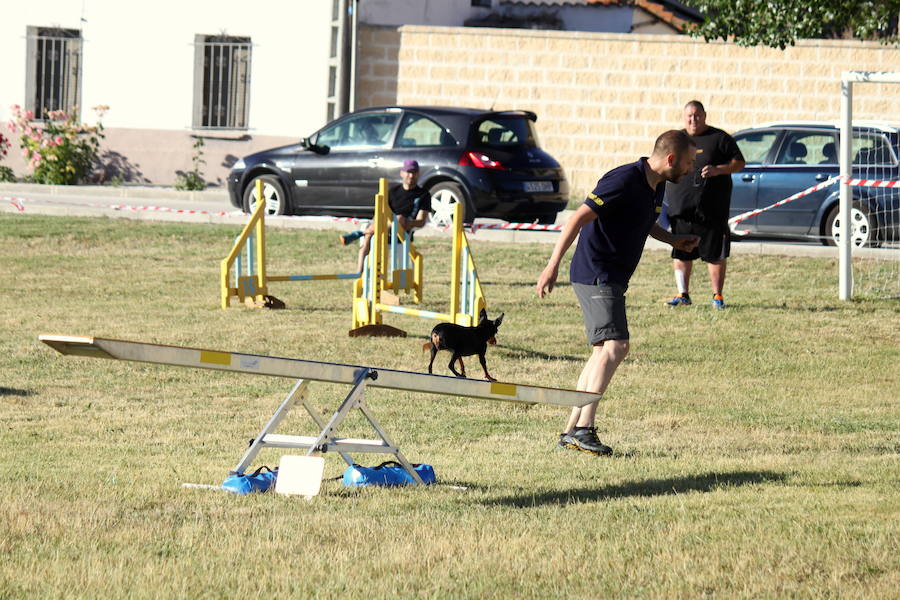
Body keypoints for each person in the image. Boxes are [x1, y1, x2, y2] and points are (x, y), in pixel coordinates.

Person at [535, 130, 700, 456]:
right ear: (671, 159)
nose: (691, 169)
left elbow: (645, 222)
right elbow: (577, 218)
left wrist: (674, 241)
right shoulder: (623, 179)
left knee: (601, 352)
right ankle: (584, 428)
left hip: (611, 276)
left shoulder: (656, 184)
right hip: (597, 272)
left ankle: (571, 430)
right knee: (617, 346)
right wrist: (551, 265)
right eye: (689, 163)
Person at [664, 100, 745, 309]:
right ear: (684, 118)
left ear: (705, 115)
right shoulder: (677, 139)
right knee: (681, 251)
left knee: (714, 254)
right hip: (681, 209)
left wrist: (718, 170)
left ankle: (717, 296)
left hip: (712, 210)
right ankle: (683, 294)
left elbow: (739, 162)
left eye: (697, 115)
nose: (693, 120)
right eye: (689, 116)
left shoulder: (719, 138)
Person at [341, 159, 432, 274]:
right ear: (402, 173)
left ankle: (361, 234)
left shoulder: (423, 194)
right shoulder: (392, 191)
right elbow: (379, 213)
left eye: (414, 172)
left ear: (418, 174)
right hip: (384, 227)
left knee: (395, 220)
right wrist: (376, 223)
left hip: (403, 232)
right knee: (372, 230)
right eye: (408, 172)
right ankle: (359, 272)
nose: (411, 175)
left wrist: (407, 223)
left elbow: (421, 221)